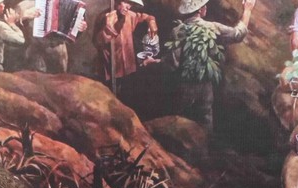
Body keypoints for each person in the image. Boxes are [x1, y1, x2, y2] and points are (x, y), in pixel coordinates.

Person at [169, 0, 255, 133]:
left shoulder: (178, 30)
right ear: (200, 10)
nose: (205, 8)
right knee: (204, 117)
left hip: (183, 83)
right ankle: (204, 149)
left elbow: (173, 62)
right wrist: (247, 11)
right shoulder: (211, 27)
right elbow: (238, 34)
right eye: (204, 6)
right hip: (205, 82)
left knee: (179, 117)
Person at [93, 0, 159, 84]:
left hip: (128, 68)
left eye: (130, 4)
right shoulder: (103, 17)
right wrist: (109, 28)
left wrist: (151, 22)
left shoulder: (130, 15)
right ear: (116, 2)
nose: (128, 7)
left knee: (127, 91)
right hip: (110, 70)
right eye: (125, 2)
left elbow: (145, 16)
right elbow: (97, 42)